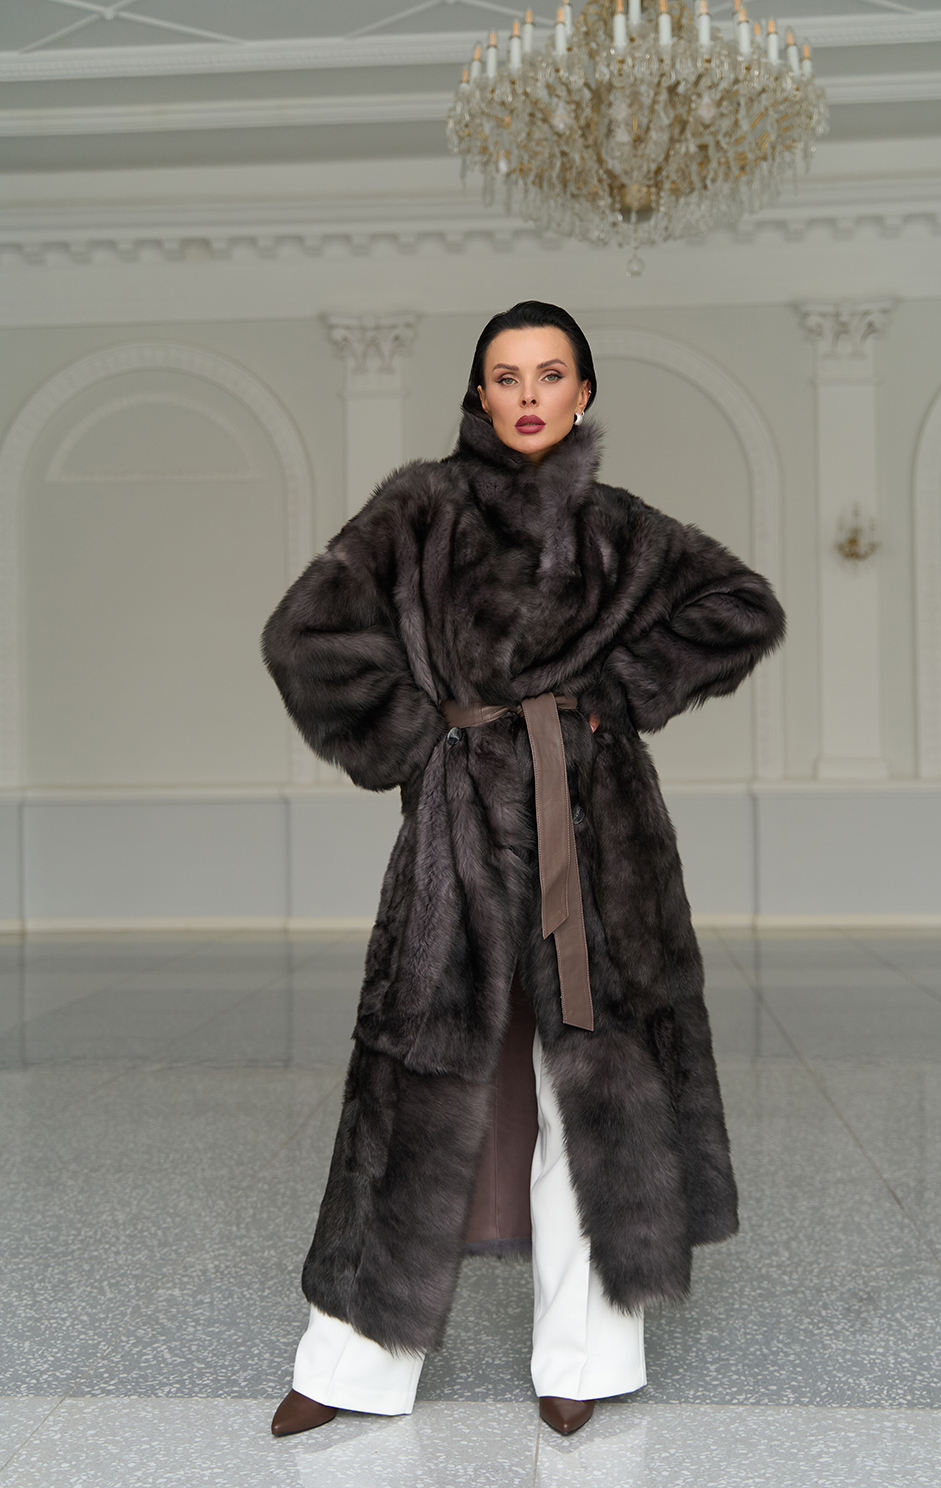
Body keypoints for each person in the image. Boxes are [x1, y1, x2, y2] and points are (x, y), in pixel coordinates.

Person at [262, 301, 785, 1439]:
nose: (529, 395)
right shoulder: (416, 511)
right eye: (507, 376)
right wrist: (422, 741)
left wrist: (612, 696)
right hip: (458, 834)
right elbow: (306, 635)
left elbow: (741, 607)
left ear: (583, 393)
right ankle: (349, 1364)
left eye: (551, 374)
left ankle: (584, 1356)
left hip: (596, 836)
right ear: (479, 393)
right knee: (415, 1082)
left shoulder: (620, 529)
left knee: (588, 1081)